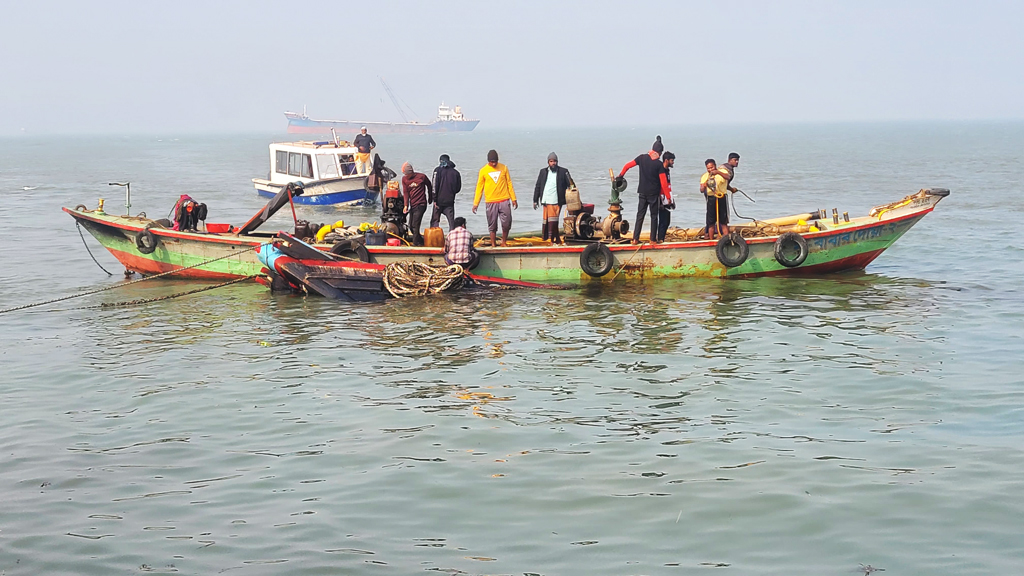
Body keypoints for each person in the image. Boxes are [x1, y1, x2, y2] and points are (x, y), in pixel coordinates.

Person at [616, 135, 672, 244]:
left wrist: (620, 175)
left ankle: (635, 239)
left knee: (640, 215)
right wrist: (668, 197)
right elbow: (664, 183)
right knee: (654, 216)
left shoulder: (641, 158)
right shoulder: (659, 164)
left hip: (642, 192)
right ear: (660, 153)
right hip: (653, 194)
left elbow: (627, 165)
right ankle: (652, 240)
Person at [473, 149, 518, 247]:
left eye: (495, 161)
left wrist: (513, 198)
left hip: (504, 199)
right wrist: (476, 204)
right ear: (488, 161)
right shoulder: (483, 171)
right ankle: (493, 244)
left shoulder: (504, 168)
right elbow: (479, 188)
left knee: (506, 223)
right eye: (492, 162)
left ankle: (504, 242)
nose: (493, 164)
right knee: (492, 225)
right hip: (491, 201)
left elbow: (509, 183)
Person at [532, 152, 573, 243]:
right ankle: (555, 239)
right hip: (546, 200)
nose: (553, 163)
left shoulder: (563, 171)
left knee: (554, 221)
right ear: (548, 162)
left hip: (556, 200)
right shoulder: (543, 172)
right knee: (548, 221)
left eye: (554, 161)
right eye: (551, 161)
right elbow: (538, 186)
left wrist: (571, 198)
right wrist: (535, 200)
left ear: (557, 162)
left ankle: (552, 240)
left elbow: (571, 185)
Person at [401, 162, 433, 246]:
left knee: (416, 224)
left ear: (411, 172)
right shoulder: (404, 179)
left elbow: (429, 186)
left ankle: (415, 243)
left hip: (421, 204)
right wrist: (405, 205)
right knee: (411, 225)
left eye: (407, 174)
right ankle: (421, 240)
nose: (406, 176)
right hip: (413, 204)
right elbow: (405, 193)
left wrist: (430, 197)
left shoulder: (421, 177)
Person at [430, 154, 462, 231]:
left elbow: (434, 186)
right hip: (450, 202)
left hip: (438, 202)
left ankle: (434, 240)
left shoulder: (437, 171)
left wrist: (434, 199)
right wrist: (451, 193)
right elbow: (458, 188)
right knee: (451, 223)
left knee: (434, 222)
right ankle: (452, 239)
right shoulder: (456, 173)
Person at [700, 158, 730, 239]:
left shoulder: (723, 172)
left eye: (712, 167)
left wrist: (718, 172)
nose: (710, 170)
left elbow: (728, 177)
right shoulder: (705, 176)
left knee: (723, 221)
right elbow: (701, 190)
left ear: (715, 166)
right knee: (711, 222)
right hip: (711, 198)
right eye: (708, 168)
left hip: (721, 197)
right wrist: (704, 185)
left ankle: (725, 238)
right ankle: (711, 239)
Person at [656, 152, 676, 242]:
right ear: (666, 160)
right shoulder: (662, 170)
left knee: (667, 219)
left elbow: (667, 185)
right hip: (662, 197)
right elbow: (663, 185)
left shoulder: (667, 170)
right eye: (672, 160)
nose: (673, 162)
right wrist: (667, 198)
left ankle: (662, 237)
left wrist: (671, 198)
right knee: (663, 220)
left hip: (667, 195)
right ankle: (660, 239)